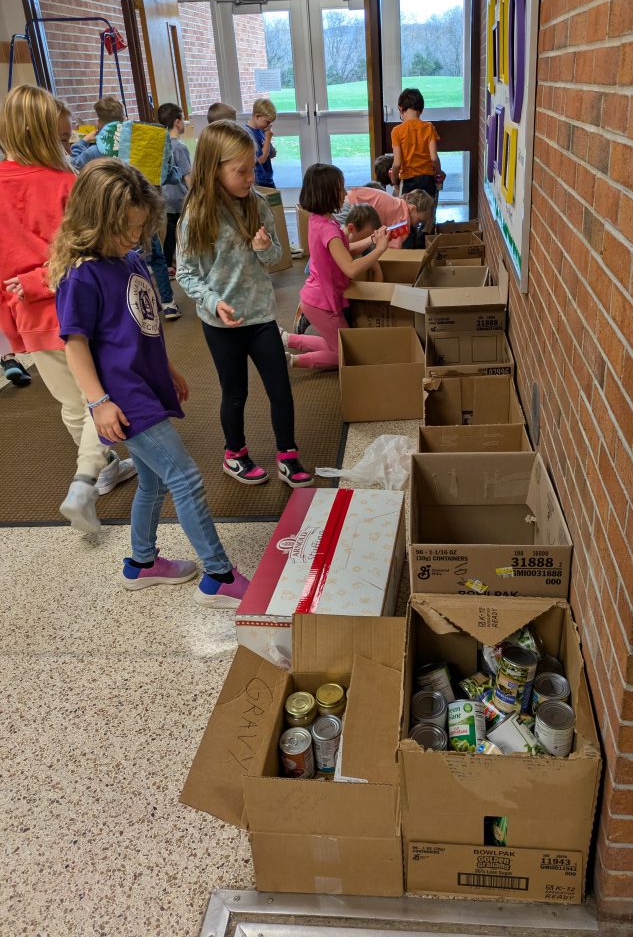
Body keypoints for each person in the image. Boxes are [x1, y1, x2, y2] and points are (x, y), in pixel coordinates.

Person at [49, 160, 250, 607]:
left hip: (144, 383)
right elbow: (75, 345)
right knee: (186, 476)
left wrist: (169, 368)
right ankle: (217, 575)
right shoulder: (82, 274)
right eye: (124, 229)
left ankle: (141, 563)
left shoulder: (131, 259)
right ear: (94, 221)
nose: (134, 238)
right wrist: (99, 402)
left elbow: (141, 326)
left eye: (139, 228)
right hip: (121, 396)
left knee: (156, 482)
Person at [0, 84, 135, 530]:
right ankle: (86, 479)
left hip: (29, 317)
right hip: (75, 307)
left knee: (72, 404)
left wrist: (14, 321)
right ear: (38, 136)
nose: (68, 145)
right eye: (61, 140)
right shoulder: (66, 184)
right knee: (99, 396)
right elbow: (86, 251)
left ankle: (101, 470)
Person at [176, 121, 312, 489]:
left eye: (252, 167)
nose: (251, 176)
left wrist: (264, 248)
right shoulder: (196, 216)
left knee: (280, 388)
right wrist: (212, 301)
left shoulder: (257, 204)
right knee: (235, 392)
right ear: (213, 169)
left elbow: (278, 258)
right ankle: (234, 454)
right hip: (222, 323)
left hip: (261, 315)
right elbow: (186, 274)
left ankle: (288, 453)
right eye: (241, 171)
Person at [282, 164, 388, 372]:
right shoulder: (328, 229)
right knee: (346, 353)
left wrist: (371, 241)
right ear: (326, 193)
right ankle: (294, 361)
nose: (346, 193)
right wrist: (380, 249)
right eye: (340, 189)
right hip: (322, 303)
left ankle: (290, 339)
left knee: (339, 344)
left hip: (317, 297)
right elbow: (350, 268)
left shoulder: (320, 220)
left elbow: (343, 249)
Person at [155, 102, 193, 273]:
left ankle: (168, 262)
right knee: (182, 231)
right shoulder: (179, 146)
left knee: (170, 231)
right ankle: (180, 262)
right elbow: (187, 175)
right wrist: (194, 194)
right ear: (177, 122)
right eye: (183, 119)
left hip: (165, 196)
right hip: (180, 197)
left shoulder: (160, 145)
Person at [390, 88, 443, 200]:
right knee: (428, 214)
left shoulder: (397, 131)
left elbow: (397, 162)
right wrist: (439, 172)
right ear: (421, 110)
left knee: (408, 214)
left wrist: (394, 179)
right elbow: (434, 158)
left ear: (400, 108)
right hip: (427, 179)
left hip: (408, 180)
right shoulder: (429, 127)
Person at [344, 185, 434, 248]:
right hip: (350, 207)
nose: (417, 224)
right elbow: (393, 248)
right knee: (343, 246)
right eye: (419, 220)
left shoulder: (398, 204)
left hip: (349, 198)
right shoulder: (403, 219)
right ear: (413, 209)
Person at [70, 95, 125, 171]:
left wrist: (83, 141)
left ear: (99, 123)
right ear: (124, 120)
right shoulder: (132, 144)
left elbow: (73, 165)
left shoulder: (95, 151)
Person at [245, 98, 277, 189]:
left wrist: (270, 147)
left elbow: (270, 154)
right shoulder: (248, 133)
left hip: (268, 177)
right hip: (259, 180)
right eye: (267, 122)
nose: (269, 125)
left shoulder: (261, 130)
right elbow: (260, 159)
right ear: (257, 116)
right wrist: (268, 139)